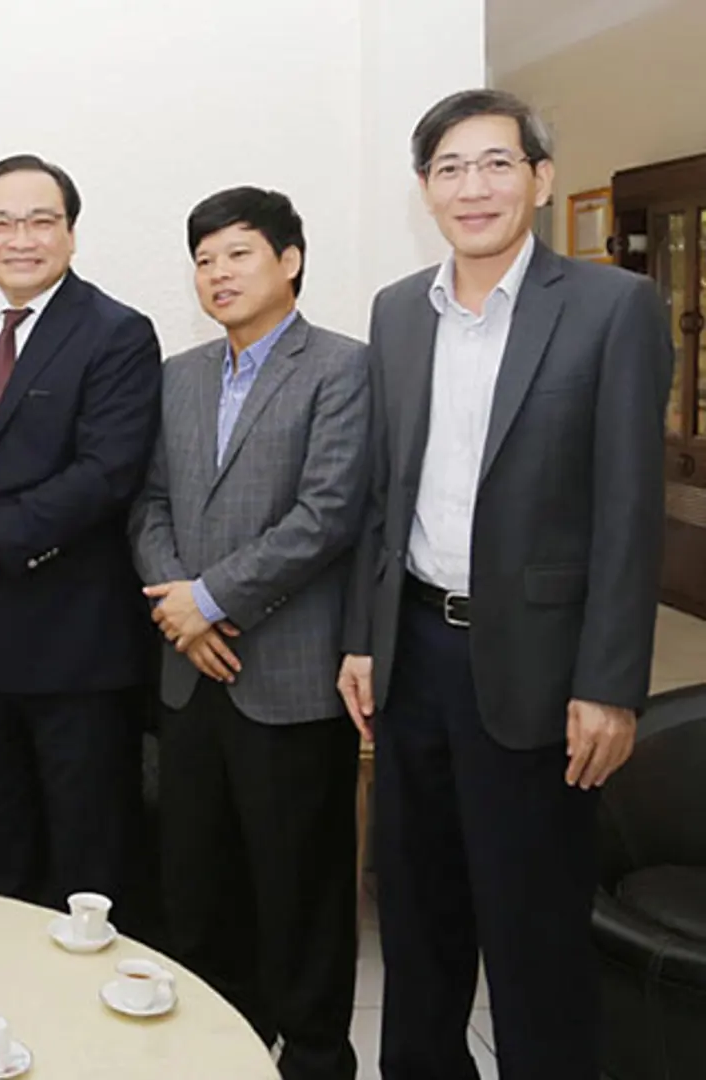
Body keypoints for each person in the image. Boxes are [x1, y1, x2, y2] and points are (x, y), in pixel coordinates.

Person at [338, 89, 670, 1080]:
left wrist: (611, 683)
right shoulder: (400, 312)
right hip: (416, 655)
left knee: (534, 937)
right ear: (426, 190)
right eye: (448, 168)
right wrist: (364, 637)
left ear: (539, 178)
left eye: (493, 163)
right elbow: (381, 498)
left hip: (542, 667)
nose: (471, 186)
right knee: (417, 915)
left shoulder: (614, 308)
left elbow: (628, 511)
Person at [130, 187, 367, 1080]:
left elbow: (327, 513)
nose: (217, 274)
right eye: (202, 260)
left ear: (288, 259)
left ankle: (311, 1059)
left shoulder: (342, 368)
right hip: (190, 675)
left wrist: (212, 598)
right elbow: (149, 502)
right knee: (195, 891)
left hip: (291, 678)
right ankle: (214, 1053)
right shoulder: (177, 376)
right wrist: (179, 611)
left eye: (236, 254)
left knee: (299, 895)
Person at [0, 154, 162, 914]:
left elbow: (104, 474)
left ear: (70, 233)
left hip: (75, 650)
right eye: (0, 222)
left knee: (87, 869)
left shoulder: (116, 333)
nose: (19, 238)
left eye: (39, 221)